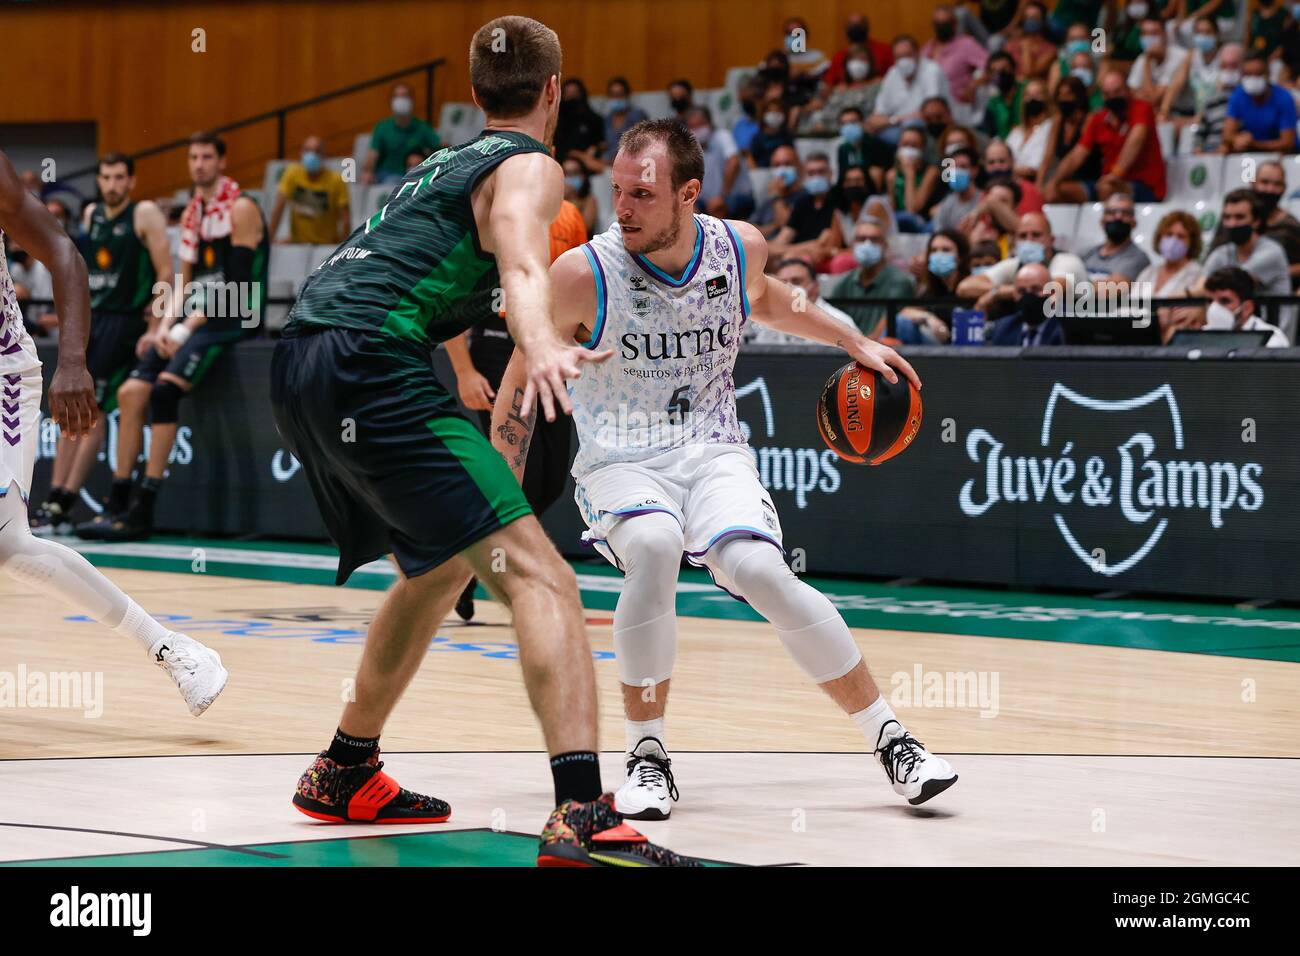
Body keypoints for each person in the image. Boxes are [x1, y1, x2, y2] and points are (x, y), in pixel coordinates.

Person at [269, 16, 693, 867]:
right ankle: (582, 816)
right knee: (544, 577)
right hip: (367, 361)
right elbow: (522, 270)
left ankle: (345, 768)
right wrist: (537, 340)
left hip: (297, 354)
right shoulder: (532, 167)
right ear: (554, 94)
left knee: (443, 566)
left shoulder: (436, 164)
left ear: (473, 97)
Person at [492, 118, 957, 820]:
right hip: (621, 456)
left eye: (641, 194)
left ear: (688, 193)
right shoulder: (582, 273)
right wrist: (499, 497)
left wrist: (853, 338)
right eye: (616, 190)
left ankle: (893, 739)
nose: (622, 207)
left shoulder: (738, 248)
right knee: (651, 548)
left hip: (712, 451)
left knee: (765, 572)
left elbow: (774, 302)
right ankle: (647, 754)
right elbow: (520, 379)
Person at [0, 147, 228, 716]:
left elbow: (60, 252)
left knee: (5, 540)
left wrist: (72, 360)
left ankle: (172, 648)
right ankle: (172, 647)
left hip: (4, 372)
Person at [76, 132, 269, 543]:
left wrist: (183, 329)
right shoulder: (193, 212)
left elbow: (234, 287)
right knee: (130, 392)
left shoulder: (241, 208)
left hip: (234, 317)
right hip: (196, 316)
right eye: (192, 157)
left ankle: (143, 510)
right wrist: (161, 327)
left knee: (162, 393)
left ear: (222, 160)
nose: (198, 164)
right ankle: (117, 503)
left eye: (206, 157)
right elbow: (182, 281)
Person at [445, 195, 587, 622]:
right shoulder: (493, 215)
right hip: (495, 346)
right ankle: (513, 576)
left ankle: (470, 563)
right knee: (513, 475)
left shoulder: (570, 214)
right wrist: (465, 371)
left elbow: (580, 285)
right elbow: (452, 304)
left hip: (550, 346)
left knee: (548, 481)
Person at [29, 154, 171, 537]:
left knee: (89, 414)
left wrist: (155, 326)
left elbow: (166, 272)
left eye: (119, 177)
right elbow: (84, 275)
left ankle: (62, 503)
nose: (112, 184)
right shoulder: (92, 214)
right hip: (95, 321)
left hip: (126, 324)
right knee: (69, 412)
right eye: (106, 177)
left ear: (132, 180)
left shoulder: (144, 214)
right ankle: (54, 500)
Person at [1044, 69, 1167, 203]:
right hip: (1106, 183)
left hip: (1144, 186)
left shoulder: (1142, 108)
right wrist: (1055, 181)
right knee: (1057, 192)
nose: (1113, 97)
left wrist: (1116, 174)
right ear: (1103, 96)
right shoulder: (1099, 119)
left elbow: (1135, 141)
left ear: (1127, 90)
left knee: (1107, 189)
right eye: (1108, 94)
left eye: (1117, 91)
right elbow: (1078, 154)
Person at [957, 211, 1088, 307]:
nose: (1029, 241)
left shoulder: (1067, 260)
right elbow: (965, 287)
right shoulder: (1014, 264)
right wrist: (999, 291)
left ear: (1051, 240)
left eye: (1036, 235)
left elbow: (1049, 288)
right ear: (1015, 242)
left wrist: (996, 294)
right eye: (1023, 236)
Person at [829, 217, 931, 340]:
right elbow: (832, 324)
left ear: (885, 244)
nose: (867, 244)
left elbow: (884, 330)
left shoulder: (899, 282)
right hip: (850, 349)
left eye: (874, 239)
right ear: (852, 245)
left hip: (883, 349)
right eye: (861, 239)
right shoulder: (845, 282)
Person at [1207, 160, 1300, 288]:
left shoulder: (1290, 226)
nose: (1269, 189)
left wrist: (1278, 271)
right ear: (1253, 183)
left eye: (1276, 184)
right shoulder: (1231, 222)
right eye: (1264, 182)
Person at [1196, 189, 1292, 299]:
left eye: (1239, 217)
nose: (1232, 224)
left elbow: (1233, 284)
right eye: (1227, 217)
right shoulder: (1222, 252)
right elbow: (1201, 286)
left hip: (1267, 316)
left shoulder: (1272, 251)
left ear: (1256, 221)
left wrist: (1191, 293)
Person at [746, 257, 859, 345]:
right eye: (783, 283)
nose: (789, 287)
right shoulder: (763, 321)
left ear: (815, 287)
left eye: (797, 281)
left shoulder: (841, 322)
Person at [1134, 209, 1206, 341]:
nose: (1173, 240)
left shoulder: (1197, 274)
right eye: (1168, 235)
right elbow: (1131, 308)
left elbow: (1182, 319)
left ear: (1191, 242)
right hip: (1137, 335)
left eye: (1181, 236)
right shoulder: (1149, 272)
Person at [868, 35, 950, 146]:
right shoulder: (892, 73)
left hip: (928, 128)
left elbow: (929, 114)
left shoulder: (932, 71)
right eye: (899, 57)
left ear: (918, 54)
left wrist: (892, 120)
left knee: (912, 128)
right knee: (868, 129)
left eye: (907, 55)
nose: (903, 61)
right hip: (895, 127)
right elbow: (878, 115)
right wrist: (891, 121)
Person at [268, 135, 350, 245]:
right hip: (297, 244)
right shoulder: (292, 173)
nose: (311, 155)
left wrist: (342, 247)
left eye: (317, 151)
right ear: (301, 153)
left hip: (325, 246)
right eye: (307, 150)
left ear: (324, 155)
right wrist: (269, 241)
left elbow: (346, 220)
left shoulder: (336, 180)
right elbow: (279, 207)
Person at [1220, 50, 1297, 153]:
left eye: (1258, 74)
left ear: (1268, 74)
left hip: (1282, 156)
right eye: (1248, 74)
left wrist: (1254, 144)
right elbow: (1227, 134)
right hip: (1250, 156)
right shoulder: (1238, 95)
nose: (1253, 79)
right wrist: (1236, 139)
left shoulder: (1284, 97)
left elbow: (1287, 142)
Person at [362, 84, 440, 185]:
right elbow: (372, 156)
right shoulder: (382, 127)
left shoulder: (422, 127)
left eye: (404, 96)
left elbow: (441, 148)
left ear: (412, 100)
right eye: (397, 96)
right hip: (387, 175)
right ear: (391, 101)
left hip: (414, 174)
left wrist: (424, 157)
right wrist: (367, 172)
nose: (400, 100)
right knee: (392, 182)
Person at [685, 106, 753, 219]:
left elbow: (734, 163)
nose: (697, 129)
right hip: (707, 201)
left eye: (701, 124)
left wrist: (722, 196)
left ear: (710, 123)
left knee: (718, 208)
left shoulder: (722, 136)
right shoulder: (691, 147)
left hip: (734, 196)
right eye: (693, 126)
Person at [922, 4, 988, 119]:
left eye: (945, 24)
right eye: (938, 24)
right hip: (927, 107)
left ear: (954, 24)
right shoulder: (927, 48)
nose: (942, 27)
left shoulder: (966, 44)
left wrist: (974, 84)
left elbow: (991, 67)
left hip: (956, 107)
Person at [899, 227, 967, 335]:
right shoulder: (933, 288)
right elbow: (905, 312)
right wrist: (928, 317)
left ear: (960, 257)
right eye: (934, 250)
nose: (939, 255)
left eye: (946, 250)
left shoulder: (969, 287)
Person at [1201, 266, 1290, 345]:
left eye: (1224, 301)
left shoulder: (1271, 340)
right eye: (1210, 301)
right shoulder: (1199, 337)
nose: (1214, 308)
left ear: (1247, 308)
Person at [1129, 15, 1195, 121]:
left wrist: (1147, 62)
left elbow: (1153, 99)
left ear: (1165, 35)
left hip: (1184, 113)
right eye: (1145, 33)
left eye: (1154, 33)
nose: (1148, 38)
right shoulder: (1142, 58)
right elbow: (1132, 93)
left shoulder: (1179, 57)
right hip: (1159, 113)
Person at [1080, 190, 1152, 284]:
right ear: (1102, 221)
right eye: (1111, 212)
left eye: (1125, 213)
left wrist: (1071, 286)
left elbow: (1110, 290)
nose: (1118, 217)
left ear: (1134, 223)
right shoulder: (1087, 253)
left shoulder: (1138, 258)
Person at [986, 261, 1062, 345]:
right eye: (1022, 291)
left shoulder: (1066, 329)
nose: (1028, 296)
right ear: (1014, 295)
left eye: (1036, 289)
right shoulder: (1003, 329)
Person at [886, 125, 941, 232]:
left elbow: (913, 209)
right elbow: (891, 209)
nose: (909, 149)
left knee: (907, 218)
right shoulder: (891, 175)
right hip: (899, 220)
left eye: (914, 145)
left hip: (922, 221)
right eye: (905, 144)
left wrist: (909, 175)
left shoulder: (931, 172)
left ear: (922, 148)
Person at [1192, 42, 1245, 152]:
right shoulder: (1212, 99)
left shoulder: (1252, 99)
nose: (1228, 71)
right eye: (1224, 66)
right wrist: (1198, 150)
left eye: (1233, 66)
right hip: (1210, 156)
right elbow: (1199, 134)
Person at [821, 13, 894, 87]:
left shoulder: (884, 50)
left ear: (866, 27)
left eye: (859, 25)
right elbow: (828, 84)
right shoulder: (839, 57)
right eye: (852, 25)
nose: (856, 28)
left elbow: (894, 77)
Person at [751, 144, 804, 240]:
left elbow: (786, 224)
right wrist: (774, 226)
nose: (782, 170)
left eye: (787, 164)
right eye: (777, 165)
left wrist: (776, 196)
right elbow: (751, 230)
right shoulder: (768, 200)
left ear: (799, 167)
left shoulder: (805, 197)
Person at [554, 78, 606, 172]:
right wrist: (578, 155)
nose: (571, 97)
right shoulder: (556, 120)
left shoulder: (593, 119)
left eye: (574, 93)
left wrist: (595, 148)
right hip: (561, 165)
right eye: (568, 93)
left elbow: (600, 142)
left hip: (589, 166)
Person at [1005, 79, 1054, 179]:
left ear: (1046, 98)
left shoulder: (1051, 127)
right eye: (1028, 95)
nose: (1032, 99)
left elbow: (1034, 170)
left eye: (1037, 94)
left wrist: (1005, 168)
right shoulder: (1016, 132)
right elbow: (1002, 157)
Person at [931, 146, 982, 232]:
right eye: (953, 167)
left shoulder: (984, 199)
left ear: (975, 170)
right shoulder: (947, 203)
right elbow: (939, 234)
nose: (956, 171)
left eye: (963, 167)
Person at [1004, 2, 1057, 81]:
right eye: (1027, 17)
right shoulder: (1010, 45)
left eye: (1034, 18)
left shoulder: (1050, 50)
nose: (1030, 21)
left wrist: (1026, 49)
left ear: (1043, 21)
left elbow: (1028, 73)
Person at [601, 77, 648, 165]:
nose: (616, 98)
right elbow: (606, 144)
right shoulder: (606, 119)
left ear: (627, 95)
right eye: (613, 95)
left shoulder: (637, 115)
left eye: (620, 94)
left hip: (632, 161)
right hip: (609, 162)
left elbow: (642, 143)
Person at [562, 156, 600, 236]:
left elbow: (585, 227)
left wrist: (570, 198)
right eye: (566, 173)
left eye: (574, 173)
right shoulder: (558, 198)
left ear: (583, 176)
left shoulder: (589, 199)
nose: (569, 178)